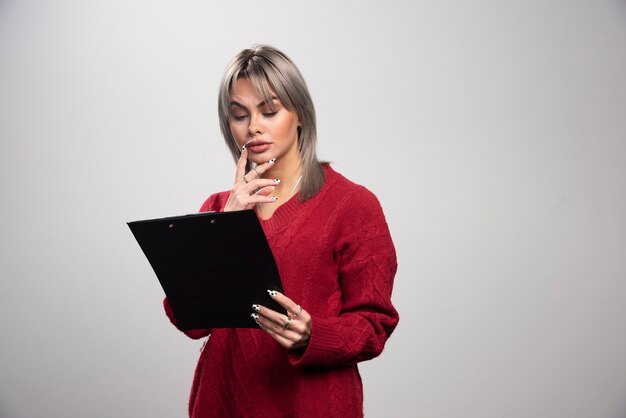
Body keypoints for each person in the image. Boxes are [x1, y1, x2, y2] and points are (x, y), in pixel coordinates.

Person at [163, 44, 399, 418]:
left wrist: (313, 335)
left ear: (300, 114)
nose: (253, 126)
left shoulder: (353, 205)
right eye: (239, 115)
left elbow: (374, 325)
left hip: (311, 403)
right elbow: (188, 320)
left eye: (269, 111)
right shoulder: (219, 206)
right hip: (223, 400)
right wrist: (227, 225)